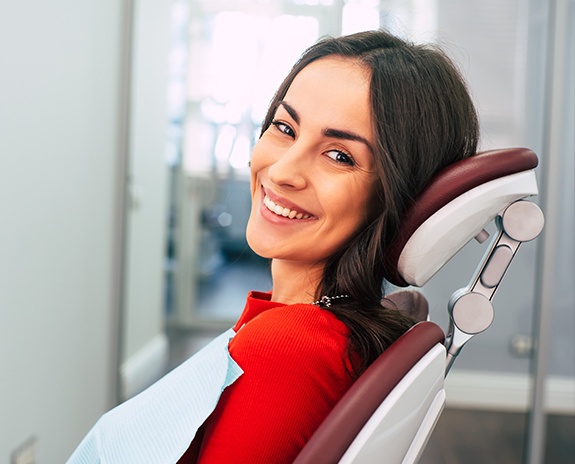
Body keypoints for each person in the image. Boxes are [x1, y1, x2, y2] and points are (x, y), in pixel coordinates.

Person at [68, 29, 479, 464]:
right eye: (285, 128)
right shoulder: (310, 329)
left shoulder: (288, 348)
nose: (283, 170)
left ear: (400, 194)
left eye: (339, 155)